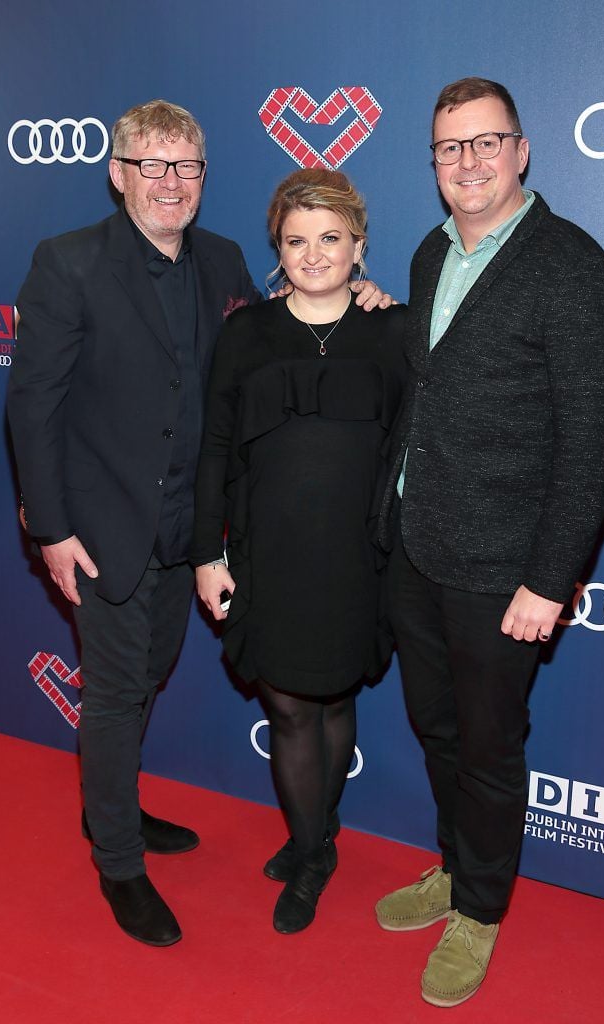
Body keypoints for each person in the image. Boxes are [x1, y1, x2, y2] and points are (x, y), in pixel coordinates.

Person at [7, 99, 387, 948]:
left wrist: (359, 296)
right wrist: (52, 530)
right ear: (119, 174)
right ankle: (116, 860)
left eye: (187, 167)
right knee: (111, 695)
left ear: (204, 178)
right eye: (152, 164)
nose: (170, 183)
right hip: (102, 529)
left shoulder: (221, 263)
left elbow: (276, 340)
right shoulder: (67, 263)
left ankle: (120, 809)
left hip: (193, 533)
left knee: (148, 676)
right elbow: (32, 407)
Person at [375, 78, 604, 1007]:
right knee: (437, 729)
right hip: (418, 548)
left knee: (487, 745)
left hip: (503, 573)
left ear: (521, 151)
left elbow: (598, 444)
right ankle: (451, 866)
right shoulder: (424, 256)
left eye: (486, 143)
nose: (468, 162)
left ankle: (479, 908)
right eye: (449, 148)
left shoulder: (574, 268)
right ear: (434, 163)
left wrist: (546, 578)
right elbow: (427, 392)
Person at [191, 168, 406, 933]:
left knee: (337, 693)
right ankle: (310, 847)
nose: (313, 254)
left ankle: (319, 837)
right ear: (277, 249)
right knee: (287, 705)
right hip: (267, 552)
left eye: (330, 238)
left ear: (358, 243)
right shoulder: (247, 331)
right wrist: (205, 553)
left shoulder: (393, 329)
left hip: (356, 555)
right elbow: (214, 448)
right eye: (295, 240)